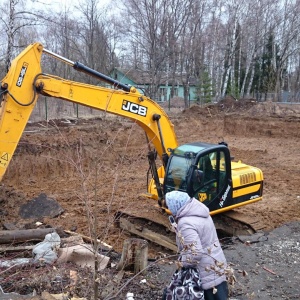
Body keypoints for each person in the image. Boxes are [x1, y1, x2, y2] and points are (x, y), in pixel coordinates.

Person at [165, 190, 228, 300]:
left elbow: (195, 253)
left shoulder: (185, 223)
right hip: (217, 265)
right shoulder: (201, 212)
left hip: (204, 273)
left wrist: (182, 262)